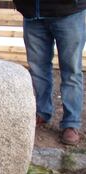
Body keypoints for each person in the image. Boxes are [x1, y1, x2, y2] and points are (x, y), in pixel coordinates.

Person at [13, 0, 86, 145]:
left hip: (69, 11)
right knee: (37, 69)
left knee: (71, 70)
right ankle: (41, 112)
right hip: (32, 12)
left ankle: (71, 123)